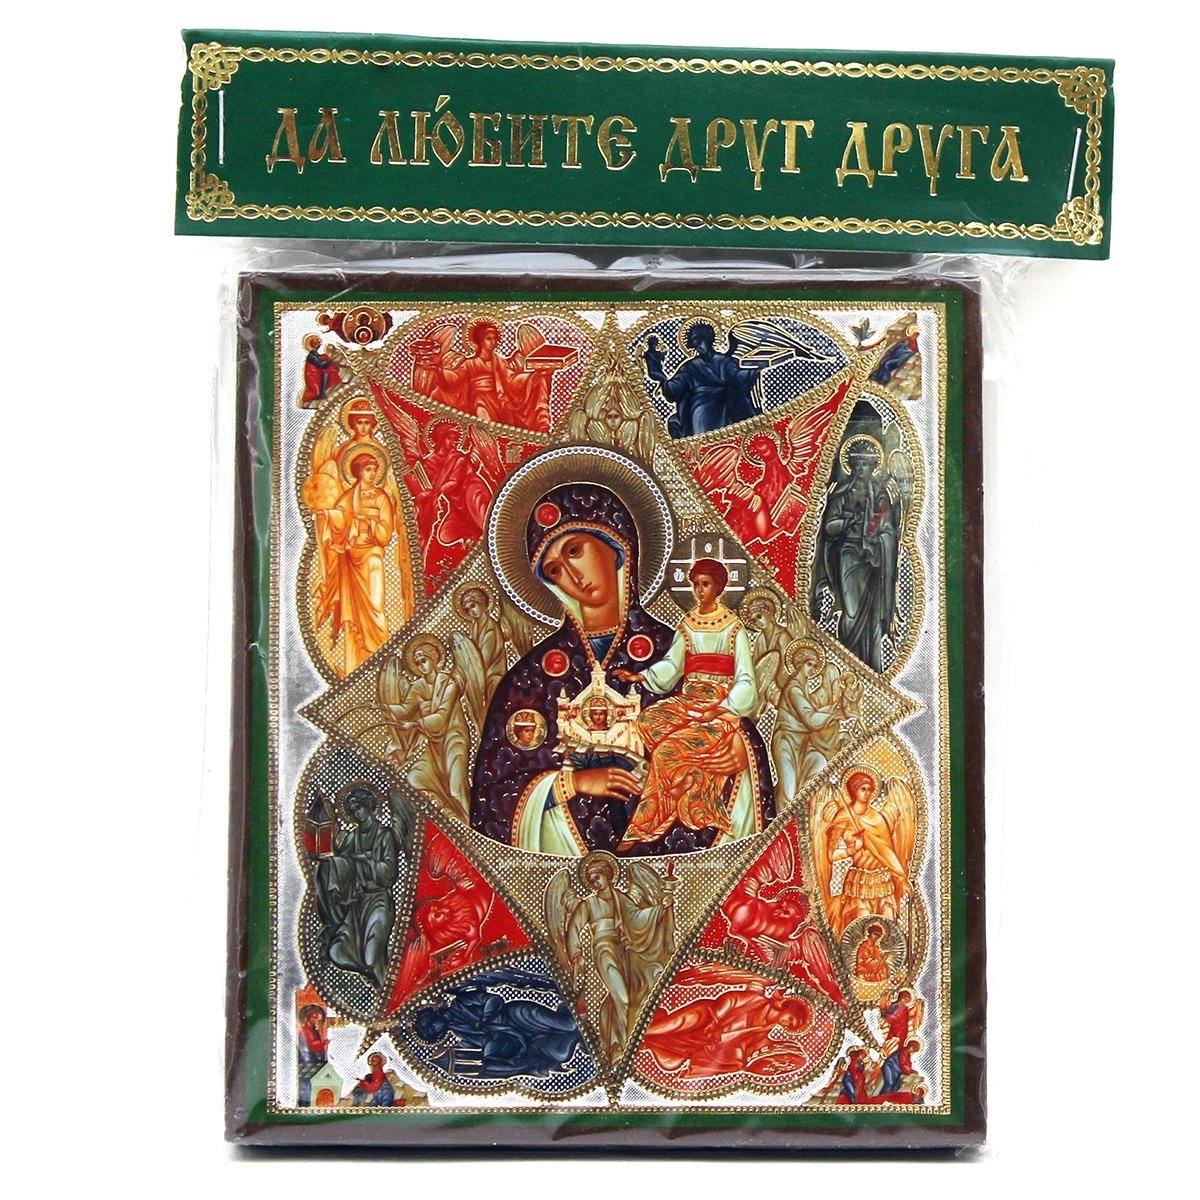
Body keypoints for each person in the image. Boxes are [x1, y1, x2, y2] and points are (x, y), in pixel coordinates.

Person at [469, 484, 775, 856]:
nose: (572, 575)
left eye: (575, 551)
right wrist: (571, 784)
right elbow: (493, 794)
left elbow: (729, 715)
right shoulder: (533, 677)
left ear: (616, 545)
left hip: (672, 859)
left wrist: (741, 754)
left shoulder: (674, 646)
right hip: (573, 864)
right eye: (554, 570)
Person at [613, 559, 760, 849]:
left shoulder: (733, 628)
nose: (699, 590)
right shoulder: (689, 623)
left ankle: (644, 825)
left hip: (720, 704)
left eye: (706, 584)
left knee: (666, 751)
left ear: (719, 587)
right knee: (648, 721)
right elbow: (673, 664)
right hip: (690, 698)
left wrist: (722, 708)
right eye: (695, 584)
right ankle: (689, 775)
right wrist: (640, 676)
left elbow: (746, 678)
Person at [810, 436, 900, 672]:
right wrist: (848, 522)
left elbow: (889, 529)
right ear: (850, 466)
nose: (861, 469)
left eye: (866, 464)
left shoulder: (879, 495)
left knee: (872, 615)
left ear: (873, 467)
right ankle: (847, 664)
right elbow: (829, 527)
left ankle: (871, 666)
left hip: (873, 560)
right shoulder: (842, 493)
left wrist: (878, 537)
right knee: (850, 611)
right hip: (848, 556)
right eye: (857, 464)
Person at [313, 448, 395, 675]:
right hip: (351, 559)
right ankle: (357, 665)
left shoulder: (381, 498)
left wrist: (368, 522)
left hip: (372, 557)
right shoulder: (349, 498)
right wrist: (327, 515)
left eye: (374, 470)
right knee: (354, 617)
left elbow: (385, 535)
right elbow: (338, 521)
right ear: (358, 472)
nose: (372, 474)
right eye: (368, 470)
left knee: (376, 604)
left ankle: (380, 658)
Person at [314, 785, 399, 989]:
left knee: (372, 956)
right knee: (338, 952)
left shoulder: (384, 835)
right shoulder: (352, 837)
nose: (356, 814)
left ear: (369, 807)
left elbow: (390, 872)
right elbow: (341, 863)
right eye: (352, 811)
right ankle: (376, 984)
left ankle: (386, 991)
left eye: (359, 808)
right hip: (357, 905)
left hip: (378, 902)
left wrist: (364, 861)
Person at [643, 321, 761, 437]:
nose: (699, 346)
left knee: (729, 435)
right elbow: (674, 389)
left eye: (701, 341)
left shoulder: (725, 361)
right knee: (702, 437)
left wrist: (753, 371)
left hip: (725, 405)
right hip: (701, 407)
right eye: (695, 343)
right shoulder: (690, 366)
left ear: (709, 339)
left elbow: (737, 377)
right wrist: (661, 376)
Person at [300, 334, 341, 406]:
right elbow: (320, 365)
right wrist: (329, 361)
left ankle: (322, 394)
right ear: (312, 345)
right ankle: (303, 400)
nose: (318, 344)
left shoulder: (316, 354)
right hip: (312, 376)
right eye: (315, 343)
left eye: (318, 343)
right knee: (315, 392)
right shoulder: (311, 356)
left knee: (327, 373)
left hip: (317, 375)